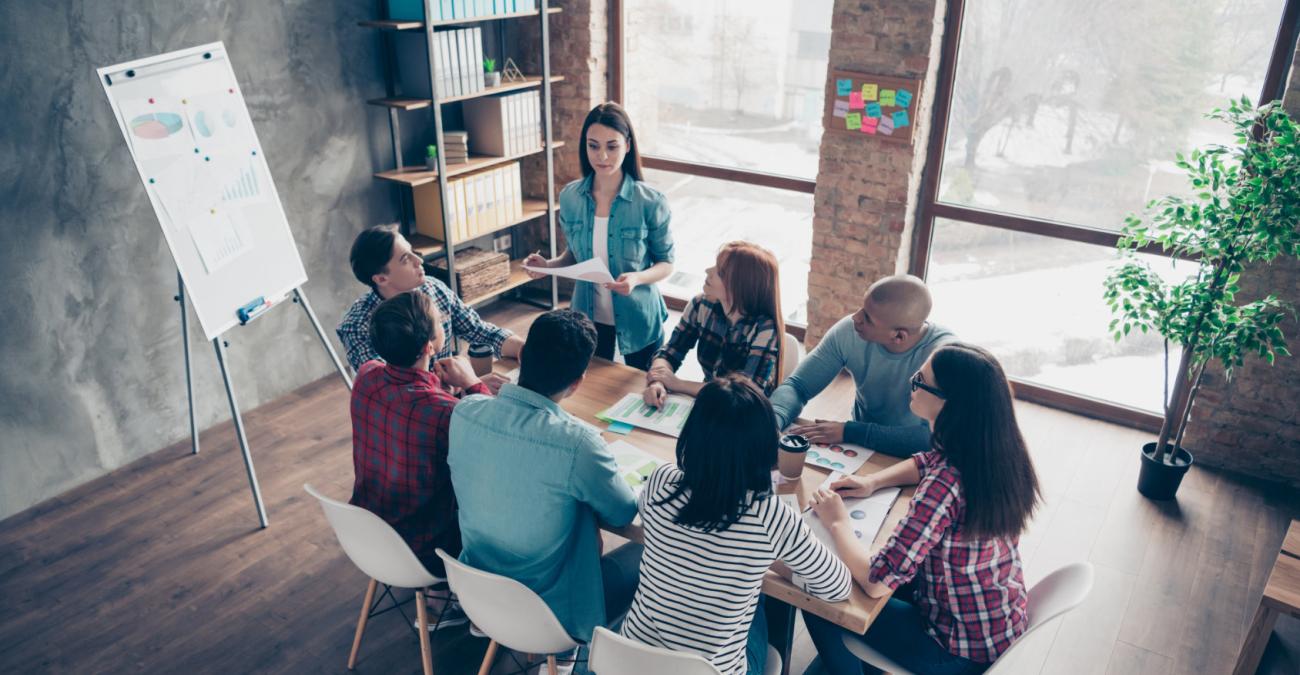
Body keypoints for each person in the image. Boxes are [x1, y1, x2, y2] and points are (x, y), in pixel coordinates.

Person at [803, 343, 1042, 674]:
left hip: (954, 651)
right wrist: (873, 482)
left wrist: (838, 521)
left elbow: (877, 580)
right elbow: (928, 461)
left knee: (817, 594)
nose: (911, 384)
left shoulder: (945, 484)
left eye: (920, 380)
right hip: (995, 625)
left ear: (948, 404)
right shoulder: (996, 449)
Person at [448, 309, 642, 671]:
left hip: (479, 593)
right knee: (644, 554)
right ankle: (567, 658)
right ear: (578, 382)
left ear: (522, 356)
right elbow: (622, 513)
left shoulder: (465, 412)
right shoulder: (578, 443)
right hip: (549, 615)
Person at [622, 374, 851, 675]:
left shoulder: (661, 481)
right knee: (760, 602)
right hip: (714, 670)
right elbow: (837, 586)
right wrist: (833, 527)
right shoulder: (769, 515)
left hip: (629, 661)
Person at [348, 291, 492, 626]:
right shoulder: (444, 412)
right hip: (425, 551)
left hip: (369, 533)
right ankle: (454, 602)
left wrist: (440, 388)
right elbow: (490, 437)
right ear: (430, 347)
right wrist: (473, 385)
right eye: (441, 323)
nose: (444, 323)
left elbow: (410, 403)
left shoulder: (366, 375)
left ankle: (439, 598)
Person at [523, 102, 674, 370]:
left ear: (627, 145)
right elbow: (574, 255)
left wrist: (637, 278)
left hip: (639, 316)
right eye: (593, 145)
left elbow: (666, 263)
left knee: (643, 393)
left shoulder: (650, 201)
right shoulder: (570, 197)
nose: (602, 156)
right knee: (590, 392)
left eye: (611, 146)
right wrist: (548, 267)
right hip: (588, 316)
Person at [770, 274, 955, 457]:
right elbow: (798, 386)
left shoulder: (944, 358)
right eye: (862, 308)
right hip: (860, 448)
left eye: (867, 318)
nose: (855, 318)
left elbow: (931, 438)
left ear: (899, 336)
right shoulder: (849, 331)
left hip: (915, 459)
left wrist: (850, 431)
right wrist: (771, 422)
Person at [337, 224, 523, 390]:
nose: (419, 261)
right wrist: (470, 383)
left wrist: (523, 349)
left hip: (450, 395)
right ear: (381, 279)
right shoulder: (357, 326)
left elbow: (478, 330)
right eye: (404, 259)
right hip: (410, 416)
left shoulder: (433, 288)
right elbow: (390, 389)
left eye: (412, 251)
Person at [642, 242, 785, 407]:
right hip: (710, 403)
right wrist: (658, 383)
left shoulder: (765, 328)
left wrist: (678, 384)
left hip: (745, 415)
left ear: (741, 285)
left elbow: (744, 394)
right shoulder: (701, 305)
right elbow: (670, 352)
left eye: (720, 271)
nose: (708, 271)